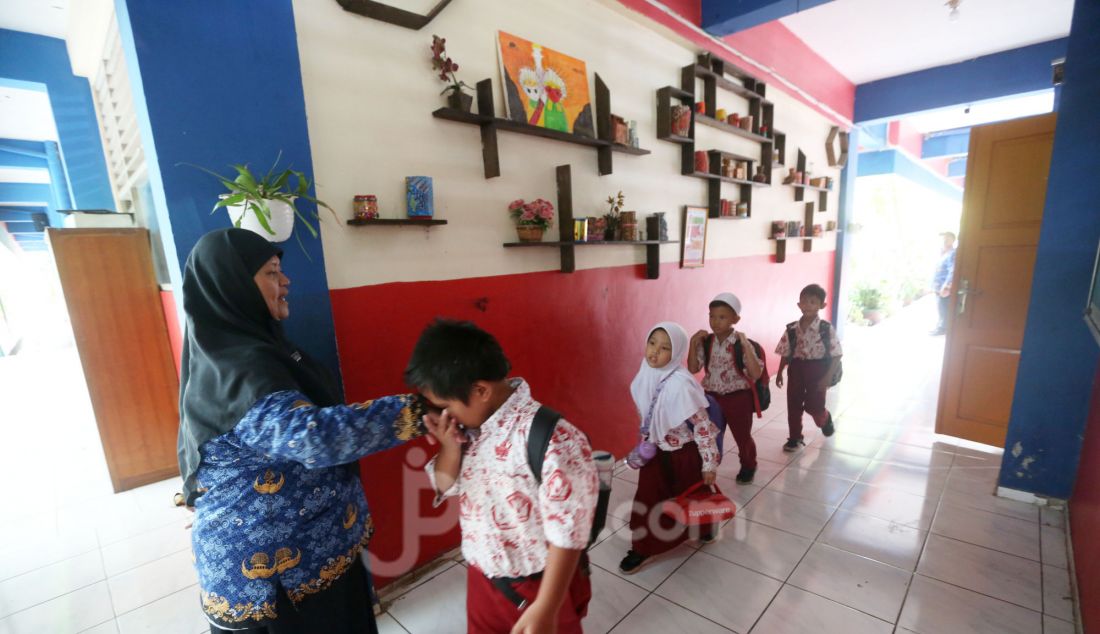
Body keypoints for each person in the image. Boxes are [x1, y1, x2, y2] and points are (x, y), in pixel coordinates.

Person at [178, 228, 427, 633]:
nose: (286, 280)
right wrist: (420, 410)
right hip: (274, 581)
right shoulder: (240, 368)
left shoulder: (249, 349)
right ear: (235, 285)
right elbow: (314, 436)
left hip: (313, 550)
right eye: (272, 272)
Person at [408, 319, 597, 634]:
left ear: (481, 390)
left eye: (445, 406)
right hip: (483, 578)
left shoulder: (554, 439)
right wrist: (449, 448)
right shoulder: (465, 431)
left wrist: (547, 607)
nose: (443, 416)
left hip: (539, 587)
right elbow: (443, 485)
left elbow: (569, 532)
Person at [619, 322, 721, 575]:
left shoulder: (681, 384)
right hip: (656, 453)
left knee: (691, 497)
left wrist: (709, 463)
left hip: (684, 456)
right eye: (652, 343)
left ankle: (705, 528)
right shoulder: (645, 374)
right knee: (648, 499)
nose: (654, 352)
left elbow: (703, 427)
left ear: (675, 354)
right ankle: (642, 548)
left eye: (665, 348)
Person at [687, 293, 763, 484]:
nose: (715, 322)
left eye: (722, 317)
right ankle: (707, 468)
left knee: (742, 436)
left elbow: (755, 374)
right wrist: (693, 343)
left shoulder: (740, 343)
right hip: (712, 398)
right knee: (709, 435)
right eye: (712, 316)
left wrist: (745, 345)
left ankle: (748, 465)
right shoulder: (707, 342)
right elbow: (693, 368)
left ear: (735, 319)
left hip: (738, 398)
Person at [774, 284, 842, 452]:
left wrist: (826, 377)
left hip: (818, 371)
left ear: (822, 305)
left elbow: (837, 354)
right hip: (796, 369)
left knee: (814, 405)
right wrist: (780, 372)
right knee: (794, 404)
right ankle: (795, 438)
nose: (808, 305)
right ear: (799, 305)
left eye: (813, 302)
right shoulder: (791, 329)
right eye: (804, 302)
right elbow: (785, 351)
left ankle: (824, 419)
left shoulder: (825, 329)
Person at [931, 231, 957, 335]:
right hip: (938, 287)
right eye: (943, 239)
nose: (944, 240)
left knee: (944, 308)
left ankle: (943, 328)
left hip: (944, 288)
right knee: (940, 308)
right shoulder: (943, 254)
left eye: (947, 238)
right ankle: (941, 326)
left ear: (952, 240)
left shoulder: (952, 253)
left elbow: (953, 270)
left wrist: (947, 286)